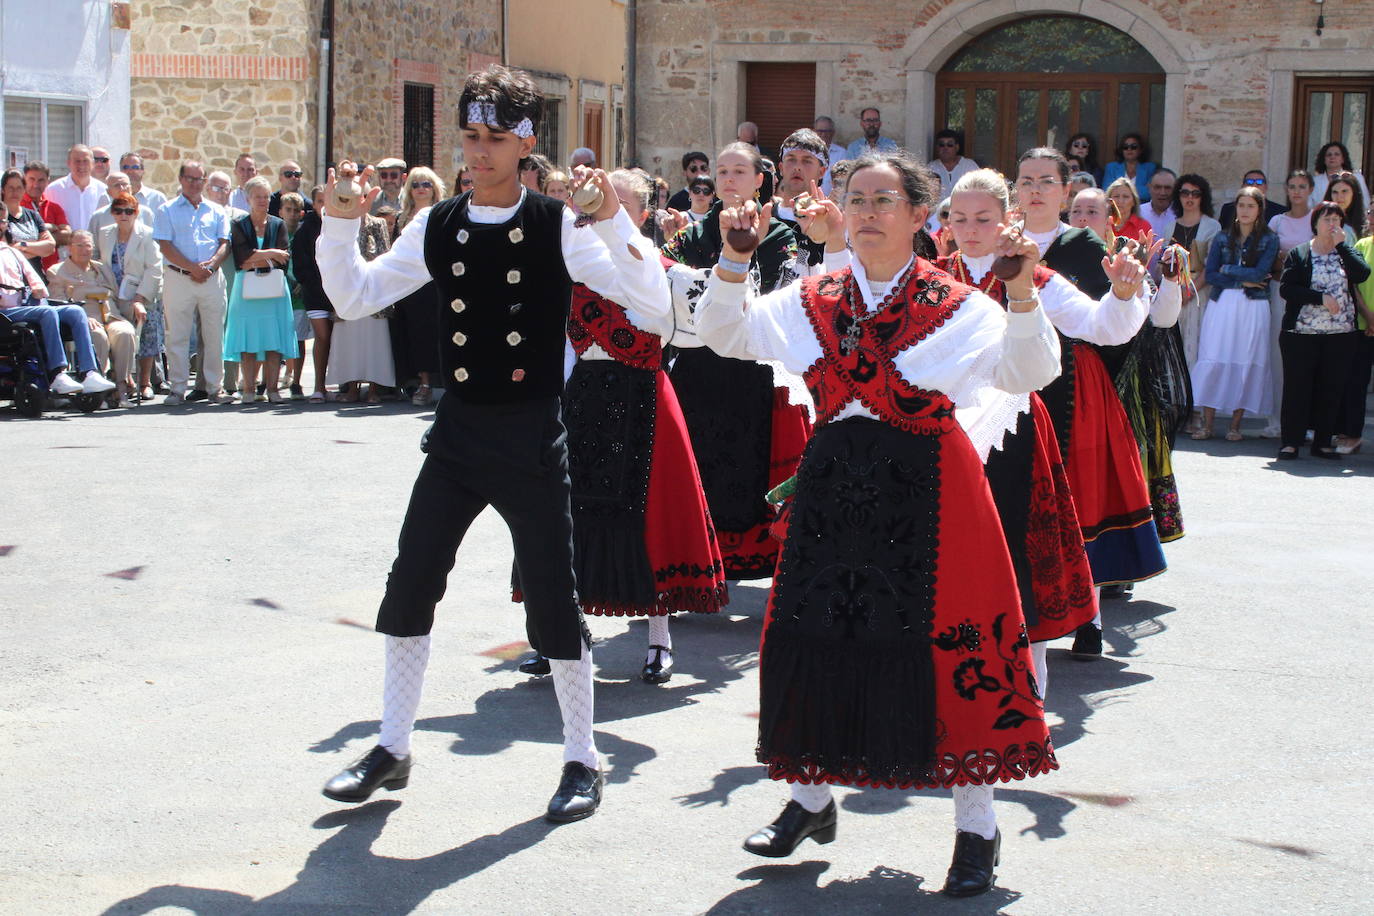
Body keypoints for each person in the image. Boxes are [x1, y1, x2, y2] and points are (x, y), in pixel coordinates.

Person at [695, 152, 1061, 898]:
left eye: (883, 200)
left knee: (955, 648)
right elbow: (723, 334)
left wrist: (1022, 290)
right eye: (854, 198)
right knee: (816, 635)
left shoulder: (959, 305)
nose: (865, 212)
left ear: (919, 215)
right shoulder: (811, 297)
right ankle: (808, 800)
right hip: (836, 488)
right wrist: (734, 259)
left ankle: (976, 830)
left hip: (935, 490)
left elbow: (1031, 372)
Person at [313, 65, 671, 823]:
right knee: (410, 581)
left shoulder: (557, 224)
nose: (477, 152)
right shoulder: (435, 223)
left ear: (525, 144)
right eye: (470, 137)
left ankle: (583, 758)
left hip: (532, 432)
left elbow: (651, 306)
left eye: (494, 139)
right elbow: (353, 297)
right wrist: (340, 225)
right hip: (458, 431)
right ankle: (392, 746)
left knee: (551, 596)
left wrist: (613, 220)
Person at [516, 168, 728, 683]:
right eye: (591, 202)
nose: (594, 209)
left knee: (647, 519)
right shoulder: (573, 265)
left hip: (643, 400)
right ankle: (558, 638)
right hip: (582, 398)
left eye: (614, 201)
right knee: (565, 519)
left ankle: (659, 641)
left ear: (643, 214)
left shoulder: (661, 270)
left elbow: (681, 328)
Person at [946, 168, 1151, 697]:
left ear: (1006, 219)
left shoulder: (1032, 277)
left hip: (1012, 435)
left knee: (1018, 554)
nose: (971, 229)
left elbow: (1103, 326)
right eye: (960, 218)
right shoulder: (927, 278)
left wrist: (1124, 296)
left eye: (983, 218)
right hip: (940, 438)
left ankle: (1027, 689)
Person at [1015, 147, 1165, 647]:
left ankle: (1088, 618)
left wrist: (1127, 293)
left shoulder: (1083, 245)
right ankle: (1013, 614)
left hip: (1073, 381)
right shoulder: (997, 239)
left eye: (1046, 181)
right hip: (1006, 384)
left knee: (1078, 498)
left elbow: (1115, 322)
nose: (1035, 189)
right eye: (1026, 179)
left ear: (1063, 192)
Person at [660, 141, 822, 580]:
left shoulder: (781, 235)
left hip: (752, 369)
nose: (729, 179)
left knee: (749, 463)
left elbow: (781, 296)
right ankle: (700, 563)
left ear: (758, 179)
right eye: (723, 171)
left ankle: (751, 559)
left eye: (739, 171)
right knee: (701, 461)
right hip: (698, 368)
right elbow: (667, 282)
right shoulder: (692, 233)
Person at [1277, 201, 1371, 459]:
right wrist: (1318, 298)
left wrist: (1341, 245)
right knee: (1298, 387)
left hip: (1340, 335)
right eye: (1327, 219)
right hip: (1301, 334)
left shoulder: (1347, 251)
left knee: (1332, 388)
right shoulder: (1300, 253)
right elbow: (1287, 289)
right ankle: (1291, 441)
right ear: (1315, 223)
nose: (1332, 225)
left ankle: (1322, 442)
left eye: (1336, 220)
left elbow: (1362, 274)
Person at [1193, 187, 1280, 440]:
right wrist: (1243, 280)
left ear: (1259, 210)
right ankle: (1208, 424)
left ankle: (1235, 425)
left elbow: (1259, 274)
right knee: (1214, 355)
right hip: (1223, 304)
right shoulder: (1221, 237)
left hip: (1253, 306)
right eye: (1241, 205)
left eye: (1251, 206)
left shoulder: (1270, 239)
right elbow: (1211, 275)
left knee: (1247, 357)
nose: (1245, 211)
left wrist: (1228, 269)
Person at [0, 225, 116, 399]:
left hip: (26, 305)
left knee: (75, 311)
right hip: (6, 311)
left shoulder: (12, 252)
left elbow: (34, 278)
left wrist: (38, 289)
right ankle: (58, 373)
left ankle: (89, 372)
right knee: (47, 313)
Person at [153, 160, 233, 405]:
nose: (194, 183)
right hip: (179, 277)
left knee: (214, 334)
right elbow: (164, 244)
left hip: (210, 278)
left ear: (204, 181)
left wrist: (209, 266)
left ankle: (214, 388)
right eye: (189, 178)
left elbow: (224, 243)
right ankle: (177, 388)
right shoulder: (166, 210)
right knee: (177, 334)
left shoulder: (217, 210)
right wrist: (192, 268)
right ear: (180, 179)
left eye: (199, 179)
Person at [221, 176, 295, 403]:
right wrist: (271, 254)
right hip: (247, 290)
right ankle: (249, 390)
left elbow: (284, 259)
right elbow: (241, 259)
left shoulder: (278, 224)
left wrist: (257, 258)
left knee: (274, 339)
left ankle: (272, 389)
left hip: (274, 290)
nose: (262, 200)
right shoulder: (239, 224)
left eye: (265, 196)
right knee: (248, 340)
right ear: (248, 198)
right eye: (257, 196)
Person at [46, 228, 136, 406]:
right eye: (79, 245)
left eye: (87, 245)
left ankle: (121, 387)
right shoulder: (57, 271)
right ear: (70, 247)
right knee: (98, 336)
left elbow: (117, 296)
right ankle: (98, 391)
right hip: (84, 318)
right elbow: (58, 303)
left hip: (111, 316)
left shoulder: (101, 268)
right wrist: (83, 317)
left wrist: (135, 307)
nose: (83, 249)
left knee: (125, 333)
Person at [96, 192, 163, 404]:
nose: (123, 215)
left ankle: (145, 383)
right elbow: (99, 264)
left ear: (137, 213)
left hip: (141, 293)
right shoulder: (105, 233)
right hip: (114, 294)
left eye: (129, 211)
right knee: (119, 336)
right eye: (118, 210)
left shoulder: (148, 234)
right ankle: (121, 380)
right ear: (112, 213)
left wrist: (140, 298)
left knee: (147, 336)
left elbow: (154, 268)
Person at [1264, 170, 1316, 438]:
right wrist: (1280, 260)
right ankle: (1277, 419)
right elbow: (1267, 258)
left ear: (1310, 189)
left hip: (1309, 296)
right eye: (1292, 186)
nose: (1297, 191)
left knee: (1307, 359)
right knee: (1278, 356)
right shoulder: (1276, 221)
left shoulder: (1317, 218)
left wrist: (1295, 260)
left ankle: (1305, 422)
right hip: (1280, 291)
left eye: (1302, 186)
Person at [389, 166, 446, 406]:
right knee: (413, 334)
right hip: (408, 286)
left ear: (434, 188)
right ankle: (420, 382)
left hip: (435, 283)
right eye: (415, 184)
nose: (421, 189)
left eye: (426, 184)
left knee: (439, 333)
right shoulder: (402, 217)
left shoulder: (443, 214)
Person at [326, 206, 394, 403]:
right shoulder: (341, 224)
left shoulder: (378, 223)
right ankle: (352, 388)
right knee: (351, 340)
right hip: (347, 290)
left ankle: (374, 389)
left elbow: (385, 253)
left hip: (373, 289)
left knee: (374, 341)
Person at [1169, 174, 1223, 391]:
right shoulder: (1170, 226)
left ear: (1203, 197)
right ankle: (1176, 402)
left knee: (1196, 347)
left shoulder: (1212, 226)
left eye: (1195, 193)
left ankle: (1195, 405)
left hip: (1199, 293)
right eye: (1184, 192)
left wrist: (1189, 292)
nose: (1189, 198)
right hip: (1172, 293)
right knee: (1174, 349)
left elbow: (1211, 266)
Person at [291, 186, 334, 402]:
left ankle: (341, 384)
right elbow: (300, 264)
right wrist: (314, 282)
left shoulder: (339, 227)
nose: (323, 206)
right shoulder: (304, 230)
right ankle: (318, 386)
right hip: (314, 293)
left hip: (338, 292)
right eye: (319, 201)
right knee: (322, 336)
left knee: (338, 338)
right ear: (313, 204)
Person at [1345, 218, 1374, 455]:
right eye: (1371, 212)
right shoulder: (1362, 245)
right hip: (1363, 326)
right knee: (1356, 384)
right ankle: (1353, 435)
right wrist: (1367, 314)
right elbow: (1353, 284)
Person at [277, 191, 310, 398]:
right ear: (280, 212)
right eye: (288, 210)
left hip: (298, 294)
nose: (292, 214)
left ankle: (296, 381)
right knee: (276, 336)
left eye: (296, 210)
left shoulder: (304, 234)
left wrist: (301, 281)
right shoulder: (275, 232)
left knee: (298, 338)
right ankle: (270, 380)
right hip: (279, 290)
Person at [44, 145, 107, 248]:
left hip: (95, 255)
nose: (81, 165)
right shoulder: (53, 190)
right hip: (64, 256)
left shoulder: (103, 191)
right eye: (77, 161)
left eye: (85, 161)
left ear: (92, 163)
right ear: (68, 163)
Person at [3, 168, 56, 272]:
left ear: (24, 190)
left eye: (19, 188)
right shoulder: (1, 217)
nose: (15, 192)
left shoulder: (33, 215)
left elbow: (50, 247)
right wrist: (38, 249)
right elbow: (6, 253)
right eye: (10, 188)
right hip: (11, 278)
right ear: (3, 189)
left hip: (36, 277)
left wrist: (23, 245)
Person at [21, 161, 70, 271]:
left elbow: (67, 236)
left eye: (41, 180)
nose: (36, 185)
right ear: (24, 180)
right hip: (24, 272)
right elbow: (16, 239)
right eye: (31, 179)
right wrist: (51, 227)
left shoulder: (54, 207)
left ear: (48, 181)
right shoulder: (17, 206)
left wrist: (34, 238)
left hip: (50, 273)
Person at [1309, 141, 1371, 209]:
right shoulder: (1314, 182)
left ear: (1343, 159)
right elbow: (1309, 207)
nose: (1332, 157)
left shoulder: (1357, 178)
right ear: (1324, 160)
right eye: (1329, 155)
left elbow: (1366, 205)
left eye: (1337, 154)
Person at [1218, 170, 1287, 230]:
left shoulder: (1280, 212)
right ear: (1242, 186)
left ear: (1266, 187)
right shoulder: (1228, 209)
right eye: (1249, 182)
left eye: (1259, 182)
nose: (1254, 185)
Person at [1102, 132, 1157, 201]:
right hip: (1117, 208)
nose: (1129, 149)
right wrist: (1139, 189)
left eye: (1133, 147)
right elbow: (1107, 191)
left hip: (1141, 208)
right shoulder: (1111, 167)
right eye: (1125, 147)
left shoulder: (1150, 168)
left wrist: (1120, 191)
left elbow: (1149, 193)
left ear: (1140, 150)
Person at [927, 129, 978, 200]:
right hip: (938, 210)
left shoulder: (969, 166)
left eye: (950, 145)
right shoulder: (931, 167)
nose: (945, 148)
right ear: (937, 148)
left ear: (957, 147)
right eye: (942, 145)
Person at [118, 152, 168, 217]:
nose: (130, 171)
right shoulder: (112, 197)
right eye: (126, 167)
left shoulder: (157, 198)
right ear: (120, 171)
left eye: (135, 167)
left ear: (142, 171)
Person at [1323, 173, 1367, 244]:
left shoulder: (1366, 225)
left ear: (1354, 193)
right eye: (1335, 192)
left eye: (1344, 191)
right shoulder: (1321, 221)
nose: (1339, 197)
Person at [1106, 177, 1151, 242]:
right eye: (1116, 196)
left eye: (1125, 197)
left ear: (1133, 202)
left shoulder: (1143, 226)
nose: (1120, 201)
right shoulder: (1100, 224)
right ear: (1109, 201)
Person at [812, 117, 848, 194]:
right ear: (814, 132)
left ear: (833, 133)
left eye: (827, 131)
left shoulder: (842, 153)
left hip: (834, 200)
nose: (824, 134)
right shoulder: (808, 153)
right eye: (820, 131)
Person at [1139, 168, 1177, 240]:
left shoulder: (1181, 215)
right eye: (1157, 187)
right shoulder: (1138, 212)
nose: (1162, 193)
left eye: (1167, 188)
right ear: (1149, 188)